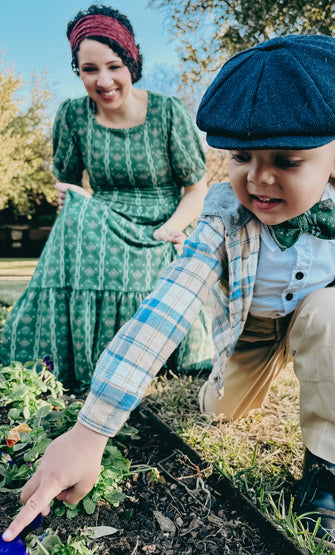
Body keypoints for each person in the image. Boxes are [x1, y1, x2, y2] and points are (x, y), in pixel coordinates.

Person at [3, 35, 335, 548]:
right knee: (221, 411)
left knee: (334, 309)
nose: (260, 179)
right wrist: (92, 428)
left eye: (287, 161)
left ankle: (326, 471)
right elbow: (168, 305)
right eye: (242, 156)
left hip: (317, 318)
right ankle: (222, 386)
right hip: (250, 332)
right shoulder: (224, 219)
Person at [0, 5, 213, 390]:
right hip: (101, 221)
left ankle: (140, 357)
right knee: (77, 220)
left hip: (160, 224)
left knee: (109, 231)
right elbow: (65, 188)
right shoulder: (72, 116)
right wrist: (75, 200)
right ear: (77, 71)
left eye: (114, 66)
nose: (104, 80)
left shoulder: (167, 112)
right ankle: (71, 360)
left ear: (132, 62)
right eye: (89, 70)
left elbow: (197, 189)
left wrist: (170, 231)